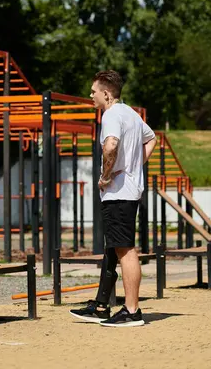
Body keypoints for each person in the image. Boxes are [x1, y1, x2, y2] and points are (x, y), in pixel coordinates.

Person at [70, 70, 157, 327]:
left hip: (118, 192)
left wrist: (107, 175)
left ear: (106, 94)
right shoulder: (131, 114)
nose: (90, 95)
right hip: (127, 189)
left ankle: (131, 311)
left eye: (94, 91)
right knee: (114, 248)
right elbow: (151, 139)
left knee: (125, 249)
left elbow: (110, 146)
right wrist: (134, 166)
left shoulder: (110, 115)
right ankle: (100, 305)